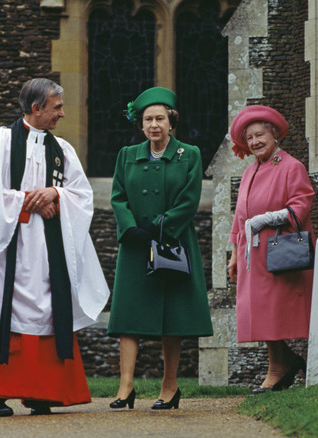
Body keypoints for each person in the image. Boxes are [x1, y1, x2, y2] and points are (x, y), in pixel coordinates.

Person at [0, 78, 110, 417]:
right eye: (56, 107)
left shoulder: (64, 150)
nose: (62, 114)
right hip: (7, 245)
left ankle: (42, 393)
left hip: (47, 249)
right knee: (0, 307)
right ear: (36, 108)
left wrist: (56, 194)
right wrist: (28, 201)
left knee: (47, 309)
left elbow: (83, 195)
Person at [107, 87, 213, 410]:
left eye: (160, 119)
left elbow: (189, 199)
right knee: (128, 315)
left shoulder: (189, 154)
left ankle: (170, 386)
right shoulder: (126, 156)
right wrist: (131, 228)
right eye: (148, 119)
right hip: (136, 246)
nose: (154, 125)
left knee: (172, 317)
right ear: (141, 124)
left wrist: (161, 226)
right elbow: (117, 196)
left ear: (172, 121)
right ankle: (125, 388)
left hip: (173, 243)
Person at [227, 105, 318, 393]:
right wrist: (233, 253)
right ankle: (282, 363)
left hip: (278, 251)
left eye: (259, 135)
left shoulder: (291, 166)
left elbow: (302, 205)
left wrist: (268, 218)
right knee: (260, 314)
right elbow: (240, 216)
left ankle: (280, 367)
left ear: (274, 135)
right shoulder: (250, 171)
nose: (254, 142)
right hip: (252, 255)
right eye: (249, 138)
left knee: (271, 313)